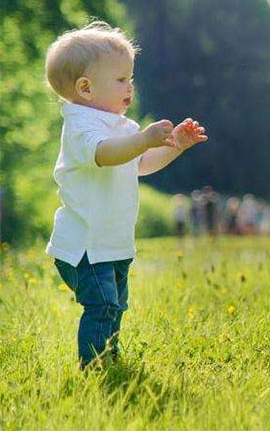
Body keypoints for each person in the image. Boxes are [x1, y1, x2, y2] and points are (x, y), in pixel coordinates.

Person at [44, 21, 208, 368]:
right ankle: (94, 366)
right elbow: (104, 154)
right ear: (85, 88)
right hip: (86, 246)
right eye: (121, 79)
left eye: (130, 78)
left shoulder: (123, 127)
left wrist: (175, 145)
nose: (129, 86)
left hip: (113, 243)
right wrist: (141, 140)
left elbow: (141, 163)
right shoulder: (80, 126)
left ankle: (109, 356)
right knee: (102, 306)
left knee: (116, 305)